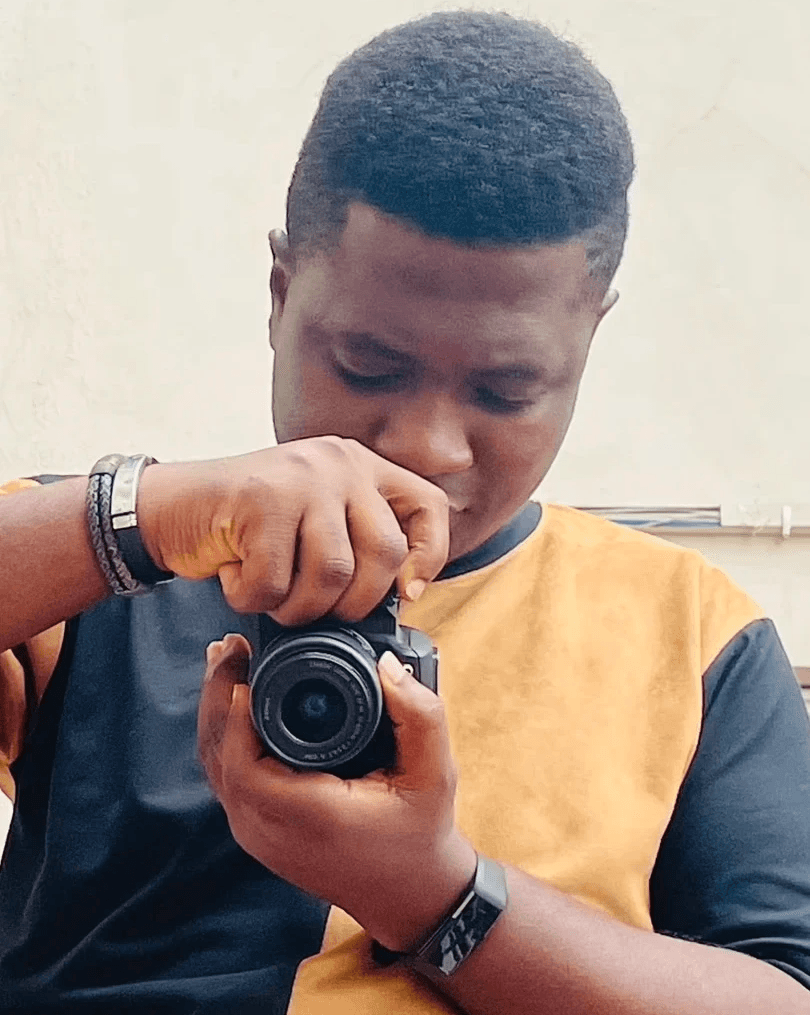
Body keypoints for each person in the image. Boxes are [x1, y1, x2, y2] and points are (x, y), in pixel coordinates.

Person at [1, 10, 809, 1015]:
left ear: (588, 338)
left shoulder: (692, 633)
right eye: (367, 365)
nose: (427, 447)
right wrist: (144, 519)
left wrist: (438, 899)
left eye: (507, 390)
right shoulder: (104, 561)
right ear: (280, 294)